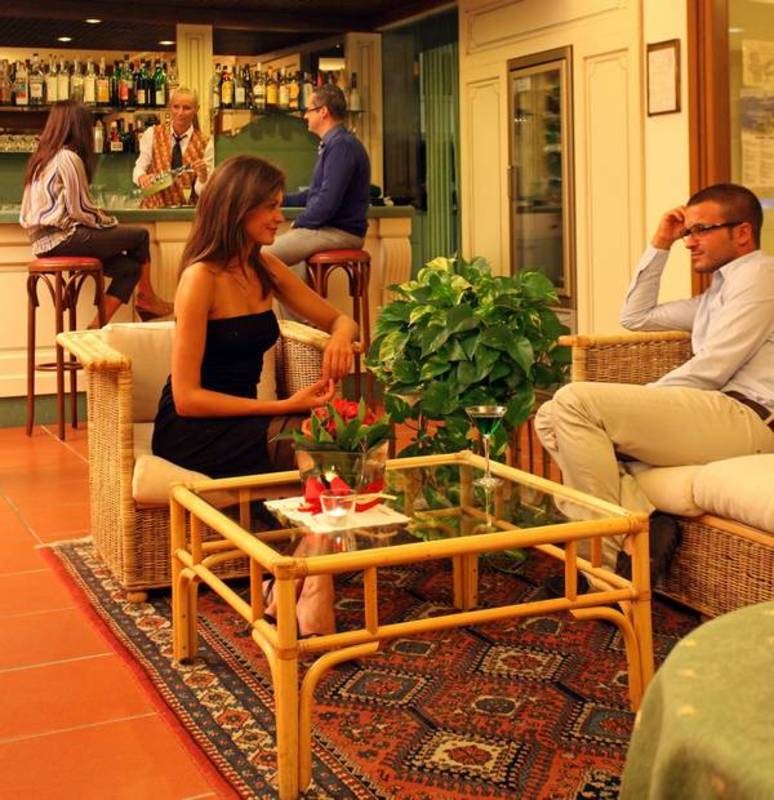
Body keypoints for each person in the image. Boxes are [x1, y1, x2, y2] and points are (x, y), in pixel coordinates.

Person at [151, 154, 359, 636]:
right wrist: (282, 407)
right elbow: (187, 398)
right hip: (195, 429)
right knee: (321, 446)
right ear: (237, 207)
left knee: (346, 445)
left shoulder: (262, 266)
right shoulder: (200, 279)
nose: (279, 218)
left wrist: (340, 339)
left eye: (279, 205)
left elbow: (338, 317)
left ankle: (301, 585)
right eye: (270, 207)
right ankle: (313, 590)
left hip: (251, 422)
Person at [535, 183, 774, 580]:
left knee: (576, 403)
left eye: (701, 230)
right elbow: (636, 316)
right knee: (549, 416)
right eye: (687, 232)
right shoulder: (719, 293)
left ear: (743, 232)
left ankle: (599, 572)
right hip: (714, 415)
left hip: (750, 419)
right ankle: (641, 530)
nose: (689, 242)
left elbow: (713, 367)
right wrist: (660, 244)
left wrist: (635, 401)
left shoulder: (761, 278)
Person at [20, 100, 171, 325]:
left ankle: (93, 328)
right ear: (79, 127)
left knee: (129, 269)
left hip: (42, 243)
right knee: (140, 236)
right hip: (62, 239)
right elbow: (80, 210)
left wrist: (99, 218)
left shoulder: (42, 158)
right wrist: (107, 220)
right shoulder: (68, 157)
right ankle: (147, 298)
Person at [264, 83, 370, 303]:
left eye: (309, 110)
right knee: (290, 268)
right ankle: (300, 322)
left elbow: (327, 202)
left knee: (262, 255)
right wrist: (277, 200)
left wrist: (300, 223)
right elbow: (314, 194)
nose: (305, 116)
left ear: (323, 111)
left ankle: (301, 321)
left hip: (340, 232)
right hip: (329, 230)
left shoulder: (341, 145)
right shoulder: (335, 143)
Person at [132, 87, 214, 209]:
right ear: (170, 107)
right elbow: (139, 168)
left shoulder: (206, 143)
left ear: (196, 109)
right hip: (153, 210)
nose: (180, 113)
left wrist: (203, 177)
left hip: (185, 213)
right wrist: (141, 178)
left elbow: (201, 192)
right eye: (176, 107)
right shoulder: (152, 134)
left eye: (186, 108)